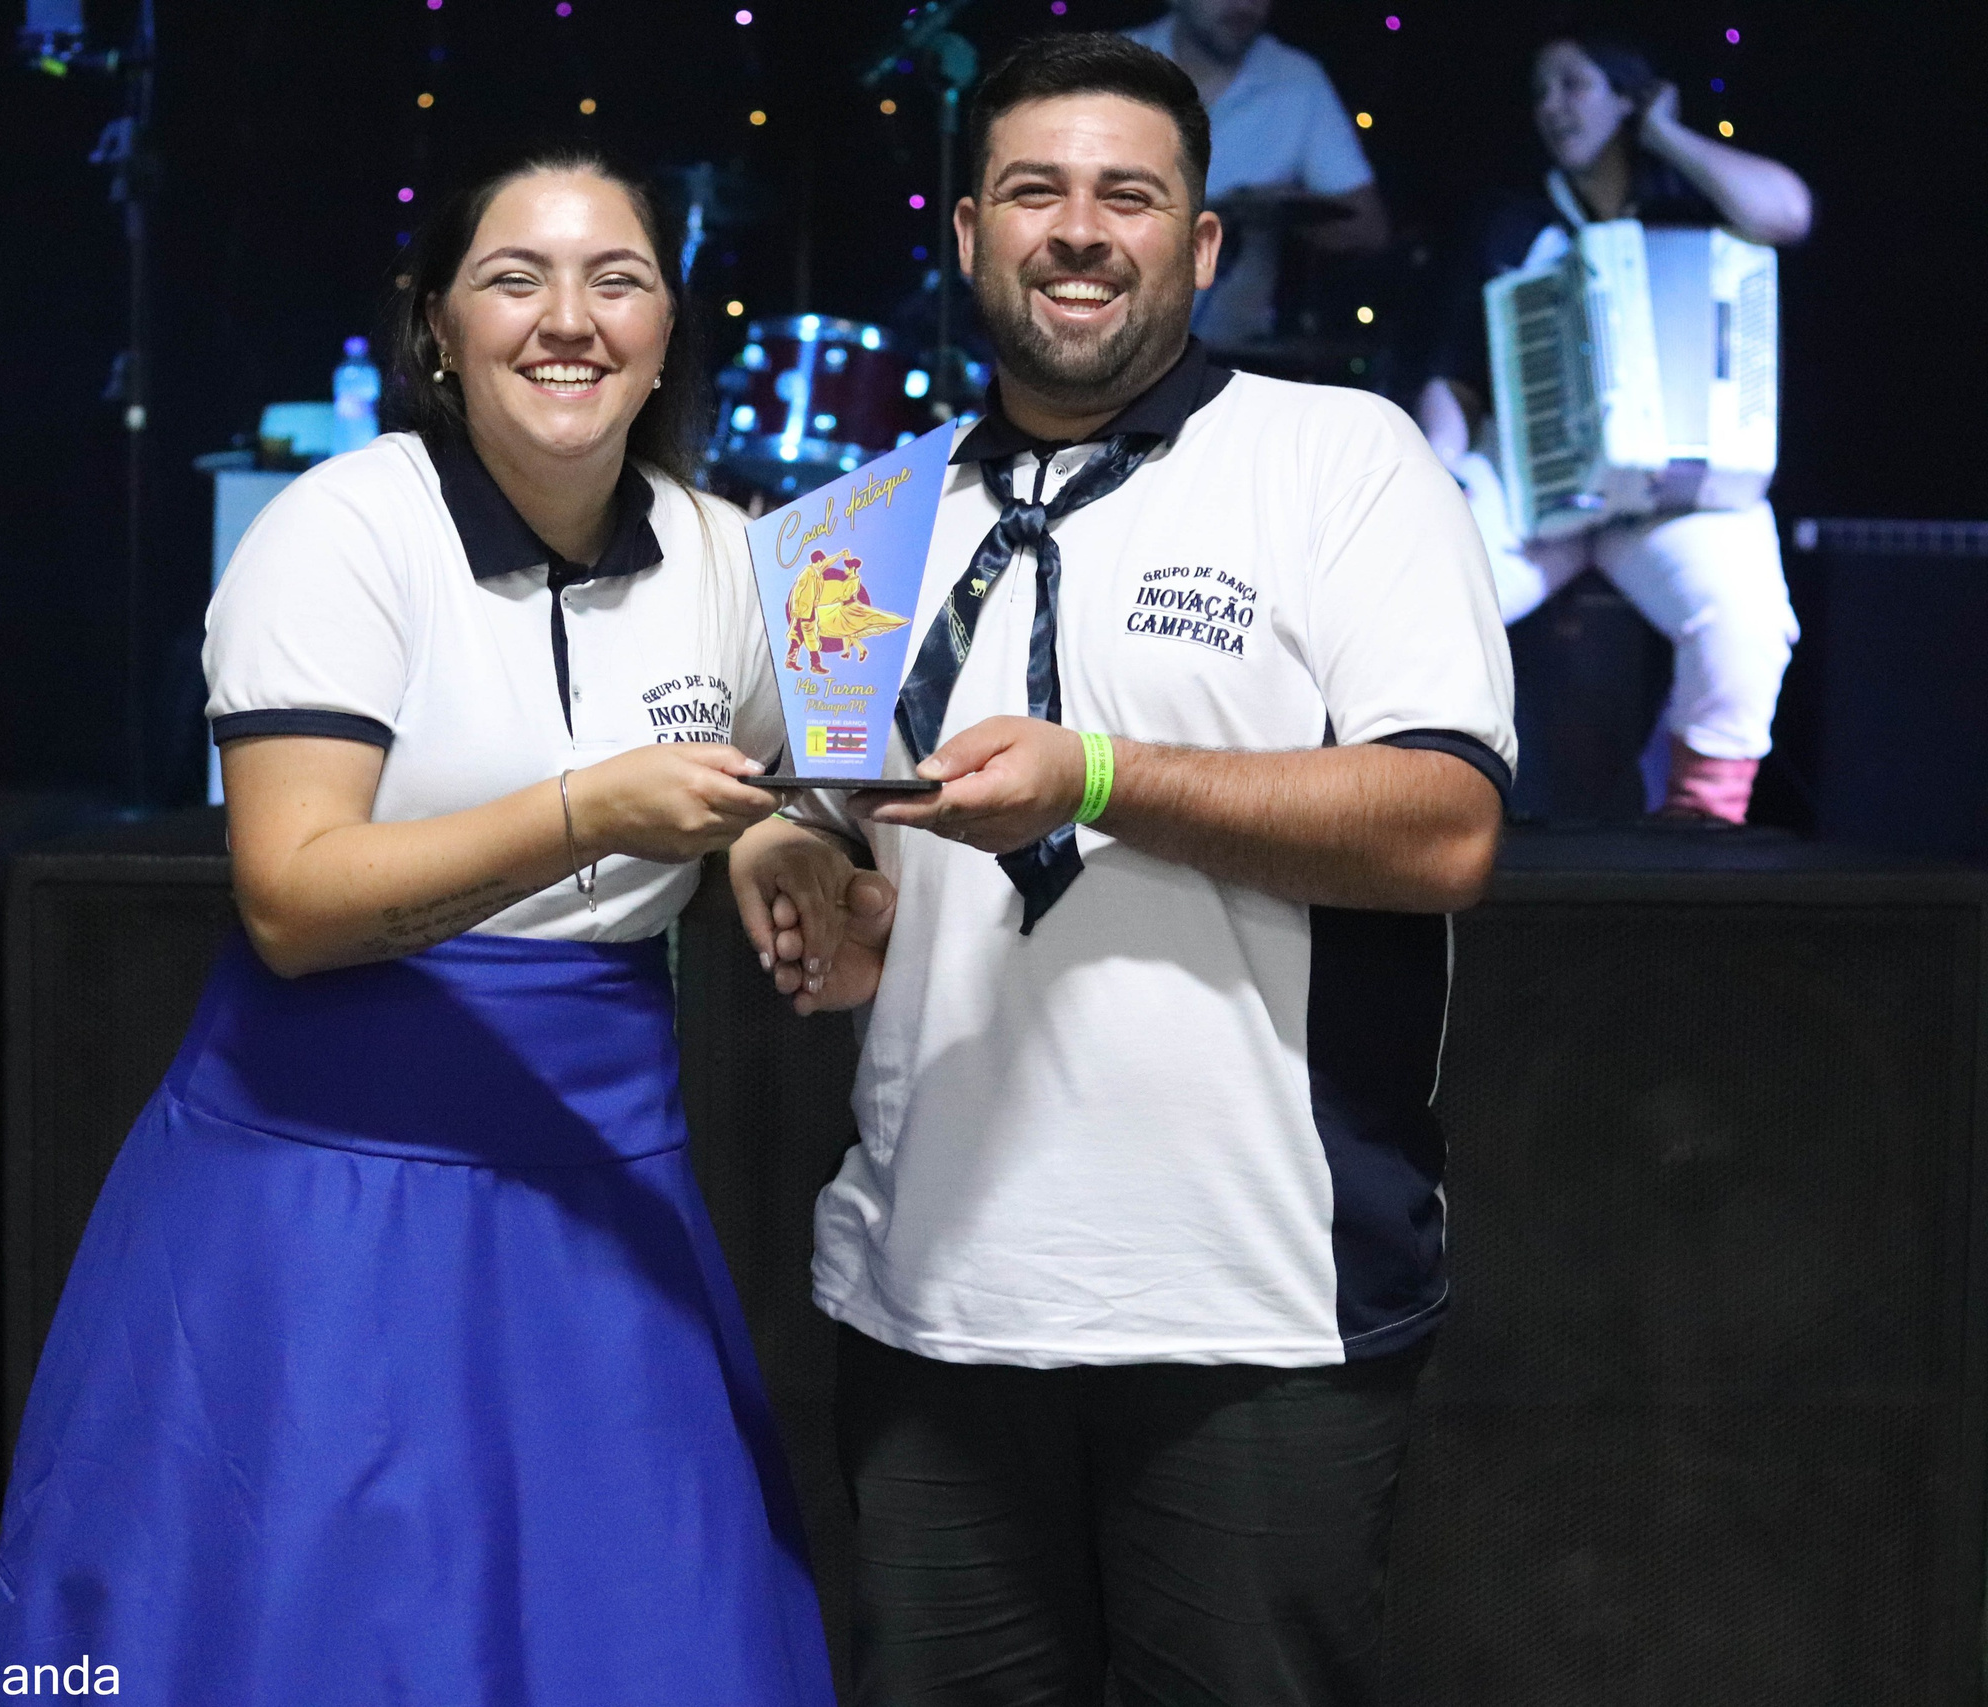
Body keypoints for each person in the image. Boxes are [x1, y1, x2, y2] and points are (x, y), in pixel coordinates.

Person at [0, 151, 836, 1705]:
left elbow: (756, 782)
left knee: (637, 1633)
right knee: (314, 1643)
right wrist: (589, 809)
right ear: (438, 327)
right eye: (515, 279)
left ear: (667, 330)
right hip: (325, 1203)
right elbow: (292, 901)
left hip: (603, 1192)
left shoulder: (726, 550)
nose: (568, 319)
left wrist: (778, 843)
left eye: (617, 280)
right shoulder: (343, 530)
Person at [731, 31, 1514, 1705]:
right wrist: (807, 860)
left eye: (1129, 196)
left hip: (1256, 1302)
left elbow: (1444, 825)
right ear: (968, 234)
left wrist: (1099, 773)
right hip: (931, 1300)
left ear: (1202, 243)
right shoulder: (844, 530)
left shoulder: (1343, 457)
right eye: (1035, 191)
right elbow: (856, 843)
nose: (1080, 229)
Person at [1417, 37, 1813, 823]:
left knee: (1747, 621)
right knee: (1420, 592)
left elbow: (1789, 215)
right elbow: (1455, 370)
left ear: (1628, 93)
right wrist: (1438, 471)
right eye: (1540, 90)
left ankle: (1701, 821)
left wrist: (1664, 133)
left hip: (1675, 494)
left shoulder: (1694, 200)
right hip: (1533, 483)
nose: (1552, 106)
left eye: (1574, 84)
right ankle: (1409, 804)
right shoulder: (1513, 218)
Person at [1123, 0, 1387, 344]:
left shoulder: (1297, 81)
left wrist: (1275, 209)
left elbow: (1368, 227)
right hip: (1107, 342)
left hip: (1230, 353)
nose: (1244, 4)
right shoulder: (1113, 66)